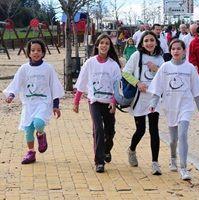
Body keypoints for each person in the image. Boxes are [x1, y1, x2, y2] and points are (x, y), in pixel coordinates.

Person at [148, 39, 199, 180]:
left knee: (183, 135)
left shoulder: (190, 68)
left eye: (179, 48)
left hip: (185, 105)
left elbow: (196, 89)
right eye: (173, 49)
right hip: (170, 106)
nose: (176, 51)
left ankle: (184, 168)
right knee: (173, 139)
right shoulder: (165, 67)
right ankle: (173, 157)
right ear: (170, 51)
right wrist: (153, 103)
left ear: (184, 51)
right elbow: (157, 87)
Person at [3, 39, 64, 164]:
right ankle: (31, 153)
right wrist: (11, 95)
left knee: (38, 123)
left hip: (43, 102)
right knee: (28, 129)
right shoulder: (24, 69)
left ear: (43, 53)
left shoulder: (48, 68)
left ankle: (41, 135)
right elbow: (17, 83)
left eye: (39, 50)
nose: (36, 53)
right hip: (29, 103)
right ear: (29, 53)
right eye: (33, 50)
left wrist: (56, 105)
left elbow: (54, 86)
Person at [73, 34, 122, 173]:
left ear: (109, 46)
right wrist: (76, 101)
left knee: (110, 131)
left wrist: (114, 101)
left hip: (109, 102)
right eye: (101, 43)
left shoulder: (113, 65)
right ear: (97, 45)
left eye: (107, 43)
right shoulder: (90, 62)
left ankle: (106, 150)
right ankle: (99, 162)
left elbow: (117, 86)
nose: (104, 45)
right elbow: (82, 82)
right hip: (94, 101)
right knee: (98, 129)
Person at [123, 31, 165, 175]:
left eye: (151, 40)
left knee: (154, 130)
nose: (149, 43)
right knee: (140, 130)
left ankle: (155, 163)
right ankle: (132, 149)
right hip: (140, 99)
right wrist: (138, 83)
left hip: (154, 99)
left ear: (156, 42)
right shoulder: (136, 56)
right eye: (146, 40)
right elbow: (126, 73)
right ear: (141, 43)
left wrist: (156, 69)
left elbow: (166, 76)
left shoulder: (161, 58)